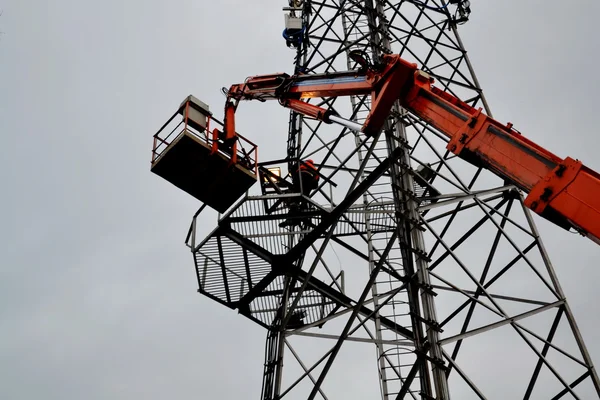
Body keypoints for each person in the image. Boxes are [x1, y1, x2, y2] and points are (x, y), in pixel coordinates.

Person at [279, 159, 319, 228]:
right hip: (309, 181)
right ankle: (304, 214)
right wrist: (311, 186)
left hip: (300, 177)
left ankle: (290, 218)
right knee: (305, 198)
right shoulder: (315, 169)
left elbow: (293, 168)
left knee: (295, 198)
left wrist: (294, 178)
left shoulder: (302, 163)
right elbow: (316, 182)